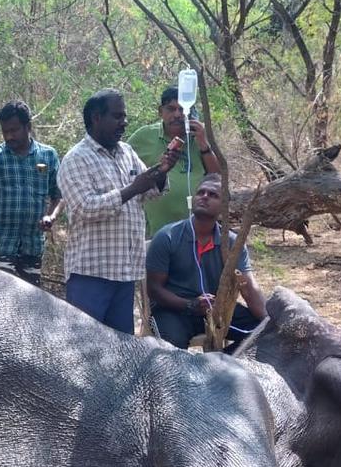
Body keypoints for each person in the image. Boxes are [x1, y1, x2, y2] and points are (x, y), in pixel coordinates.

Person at [57, 88, 179, 334]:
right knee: (85, 349)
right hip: (91, 274)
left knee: (121, 353)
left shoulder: (127, 152)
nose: (124, 123)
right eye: (117, 116)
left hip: (124, 272)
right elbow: (84, 208)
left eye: (124, 116)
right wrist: (132, 188)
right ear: (96, 118)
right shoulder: (76, 159)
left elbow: (148, 192)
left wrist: (162, 171)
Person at [146, 173, 265, 351]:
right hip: (173, 310)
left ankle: (220, 366)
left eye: (213, 195)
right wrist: (190, 305)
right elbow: (154, 290)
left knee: (263, 334)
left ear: (224, 207)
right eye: (201, 192)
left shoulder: (231, 242)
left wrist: (269, 321)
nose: (205, 197)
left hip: (216, 311)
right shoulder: (167, 236)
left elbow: (248, 288)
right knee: (172, 350)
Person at [0, 101, 63, 286]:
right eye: (5, 131)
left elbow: (59, 195)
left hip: (33, 245)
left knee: (29, 303)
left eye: (14, 130)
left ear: (28, 127)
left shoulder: (48, 155)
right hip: (1, 243)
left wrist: (50, 216)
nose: (9, 136)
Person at [127, 85, 221, 238]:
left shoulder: (198, 136)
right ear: (160, 112)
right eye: (171, 109)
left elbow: (216, 177)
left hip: (195, 230)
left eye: (182, 109)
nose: (177, 114)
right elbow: (122, 164)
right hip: (155, 231)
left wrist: (203, 143)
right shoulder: (145, 136)